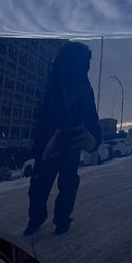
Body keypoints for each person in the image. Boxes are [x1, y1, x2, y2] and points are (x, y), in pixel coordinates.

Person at [24, 43, 100, 236]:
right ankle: (45, 219)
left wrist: (92, 138)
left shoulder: (77, 86)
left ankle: (56, 219)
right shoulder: (57, 84)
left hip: (67, 141)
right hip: (54, 141)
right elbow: (43, 115)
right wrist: (45, 144)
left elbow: (91, 117)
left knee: (61, 184)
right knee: (45, 185)